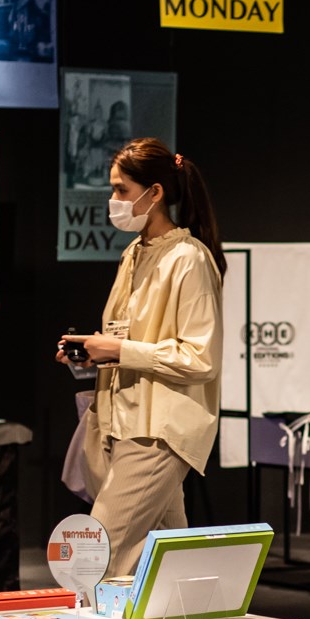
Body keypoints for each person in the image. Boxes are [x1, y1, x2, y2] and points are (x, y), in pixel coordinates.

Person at [59, 139, 224, 577]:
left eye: (121, 190)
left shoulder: (189, 259)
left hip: (159, 430)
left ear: (155, 193)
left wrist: (117, 350)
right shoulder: (134, 253)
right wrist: (94, 353)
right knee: (167, 563)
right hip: (124, 422)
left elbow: (200, 358)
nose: (113, 200)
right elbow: (129, 337)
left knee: (98, 557)